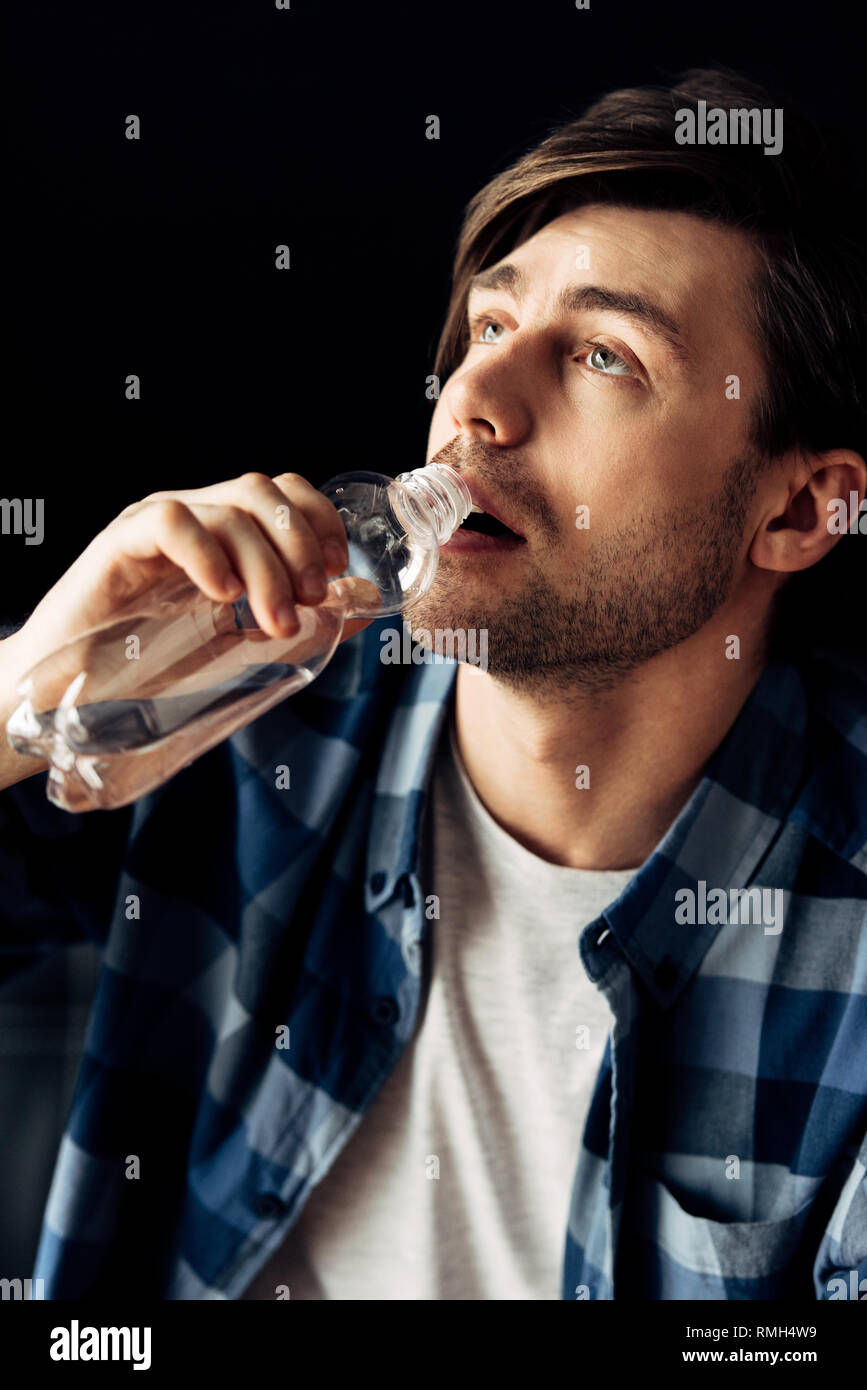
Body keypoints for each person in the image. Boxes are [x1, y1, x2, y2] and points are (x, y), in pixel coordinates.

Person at [1, 66, 865, 1301]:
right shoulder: (254, 707)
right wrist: (22, 689)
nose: (476, 403)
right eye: (494, 326)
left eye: (607, 357)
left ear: (797, 507)